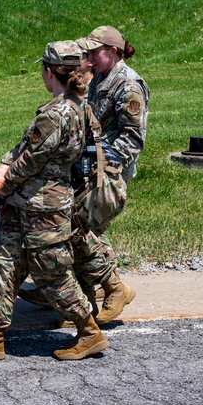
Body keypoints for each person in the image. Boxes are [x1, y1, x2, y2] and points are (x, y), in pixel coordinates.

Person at [0, 41, 109, 360]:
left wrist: (3, 186)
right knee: (6, 262)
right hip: (29, 204)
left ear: (49, 72)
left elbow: (29, 159)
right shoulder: (79, 105)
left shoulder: (58, 111)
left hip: (43, 207)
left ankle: (89, 331)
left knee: (52, 272)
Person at [77, 26, 148, 324]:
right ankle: (83, 302)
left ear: (114, 51)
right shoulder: (99, 80)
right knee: (83, 228)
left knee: (79, 228)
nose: (90, 56)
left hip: (109, 173)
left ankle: (112, 289)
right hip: (91, 167)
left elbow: (132, 138)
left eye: (96, 51)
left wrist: (104, 169)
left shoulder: (128, 85)